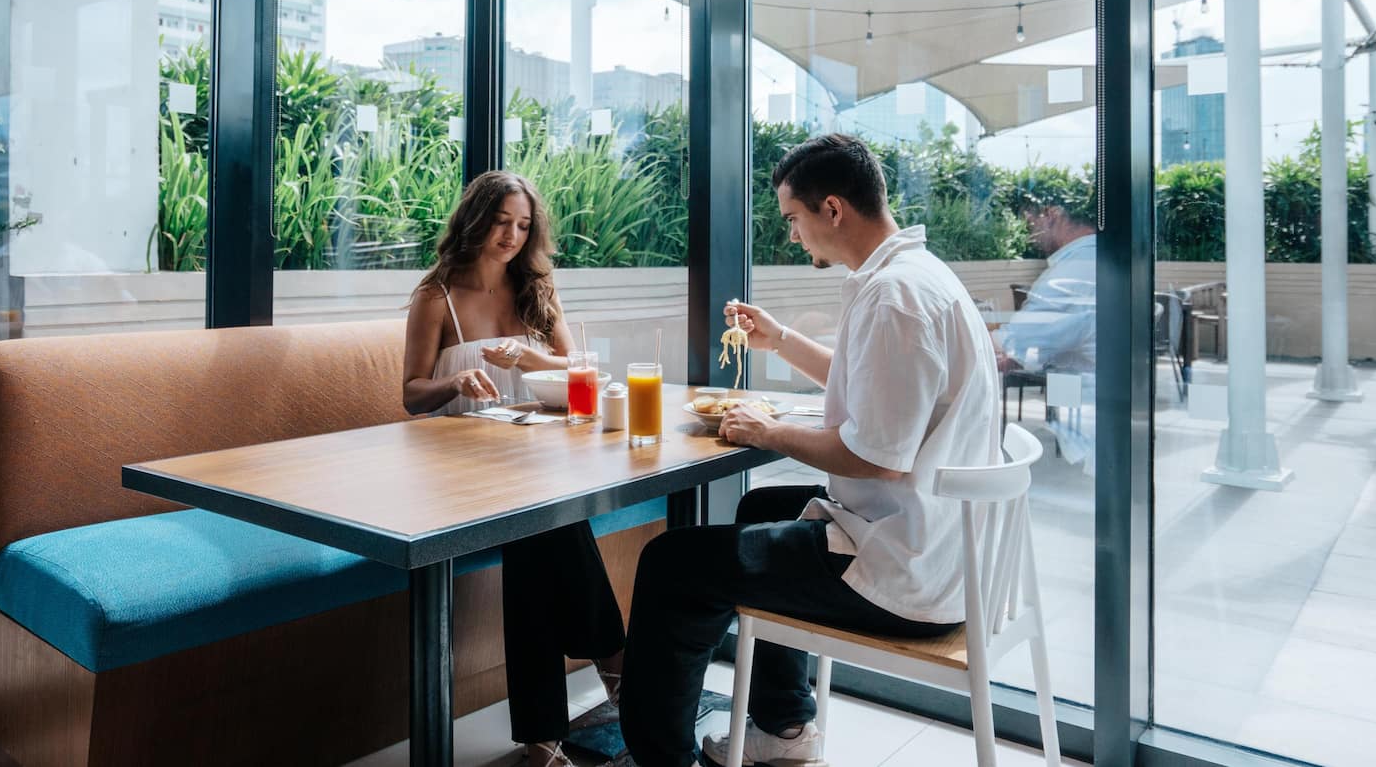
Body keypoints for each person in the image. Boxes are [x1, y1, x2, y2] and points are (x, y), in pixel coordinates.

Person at [615, 134, 1000, 767]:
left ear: (832, 209)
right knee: (762, 505)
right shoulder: (915, 276)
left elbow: (876, 456)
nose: (792, 236)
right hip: (935, 541)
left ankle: (661, 758)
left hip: (904, 572)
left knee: (669, 565)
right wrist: (780, 340)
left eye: (793, 219)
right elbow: (874, 394)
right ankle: (785, 728)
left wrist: (767, 432)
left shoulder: (895, 297)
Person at [402, 169, 625, 767]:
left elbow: (577, 369)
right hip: (457, 465)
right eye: (502, 222)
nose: (512, 236)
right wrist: (452, 379)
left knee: (535, 527)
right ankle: (615, 666)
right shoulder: (437, 296)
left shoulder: (537, 288)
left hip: (533, 457)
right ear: (475, 219)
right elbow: (411, 393)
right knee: (542, 521)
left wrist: (530, 355)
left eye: (523, 226)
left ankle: (542, 739)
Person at [994, 188, 1098, 379]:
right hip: (1103, 392)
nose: (1031, 237)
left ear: (1050, 214)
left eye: (1030, 225)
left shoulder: (1071, 272)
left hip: (1088, 398)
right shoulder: (1099, 257)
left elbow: (1014, 344)